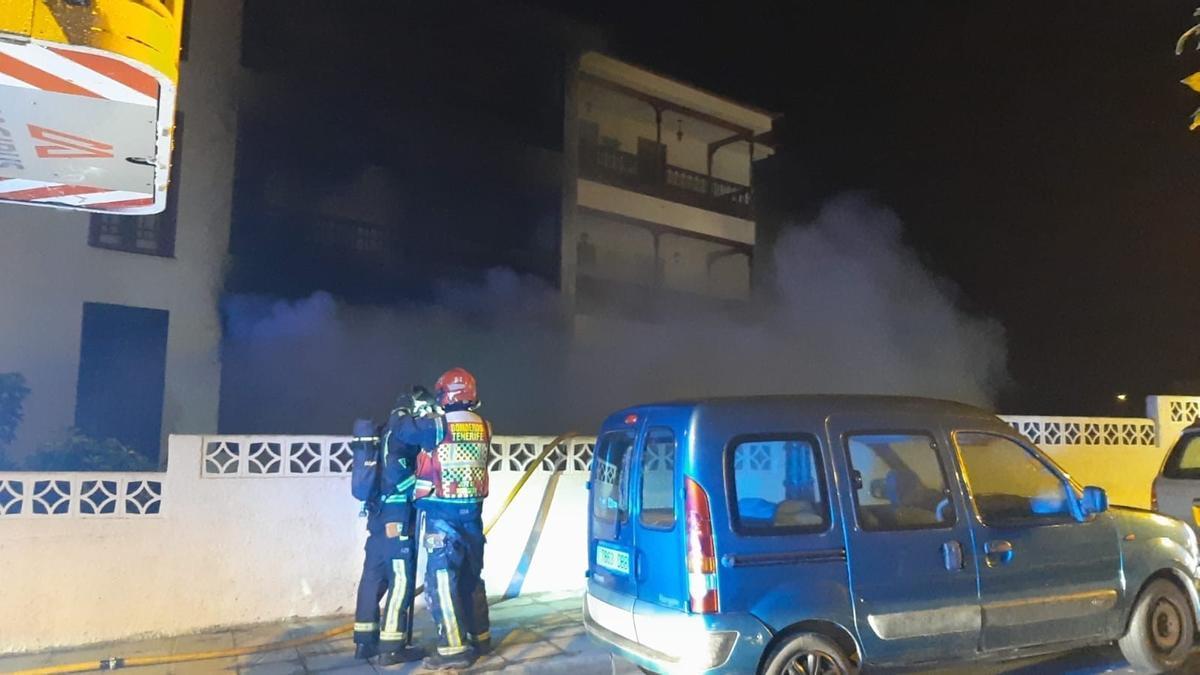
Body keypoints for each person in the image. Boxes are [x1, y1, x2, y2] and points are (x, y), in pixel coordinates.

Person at [391, 367, 491, 671]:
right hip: (471, 514)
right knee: (471, 578)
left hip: (440, 515)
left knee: (442, 581)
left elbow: (402, 431)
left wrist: (402, 407)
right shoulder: (484, 425)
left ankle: (454, 649)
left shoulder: (438, 425)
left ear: (444, 395)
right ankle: (481, 638)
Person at [348, 402, 425, 666]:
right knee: (400, 580)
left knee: (372, 577)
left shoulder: (381, 436)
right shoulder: (402, 435)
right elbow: (403, 479)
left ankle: (364, 642)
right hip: (397, 519)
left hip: (376, 517)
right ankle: (392, 646)